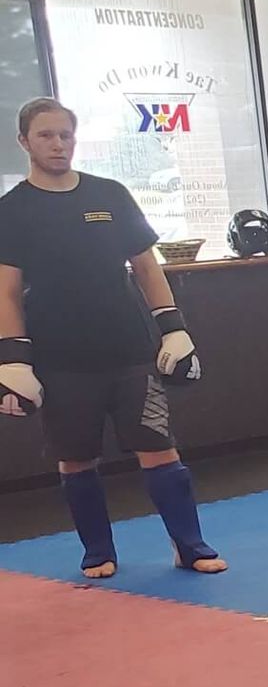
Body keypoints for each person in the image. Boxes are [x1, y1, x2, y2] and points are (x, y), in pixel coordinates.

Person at [0, 98, 224, 578]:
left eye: (65, 134)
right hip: (59, 357)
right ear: (24, 142)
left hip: (129, 350)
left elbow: (147, 266)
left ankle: (190, 544)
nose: (58, 144)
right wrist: (12, 359)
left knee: (159, 447)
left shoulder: (110, 194)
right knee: (76, 458)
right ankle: (98, 550)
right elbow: (7, 291)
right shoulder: (13, 210)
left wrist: (174, 328)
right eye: (45, 135)